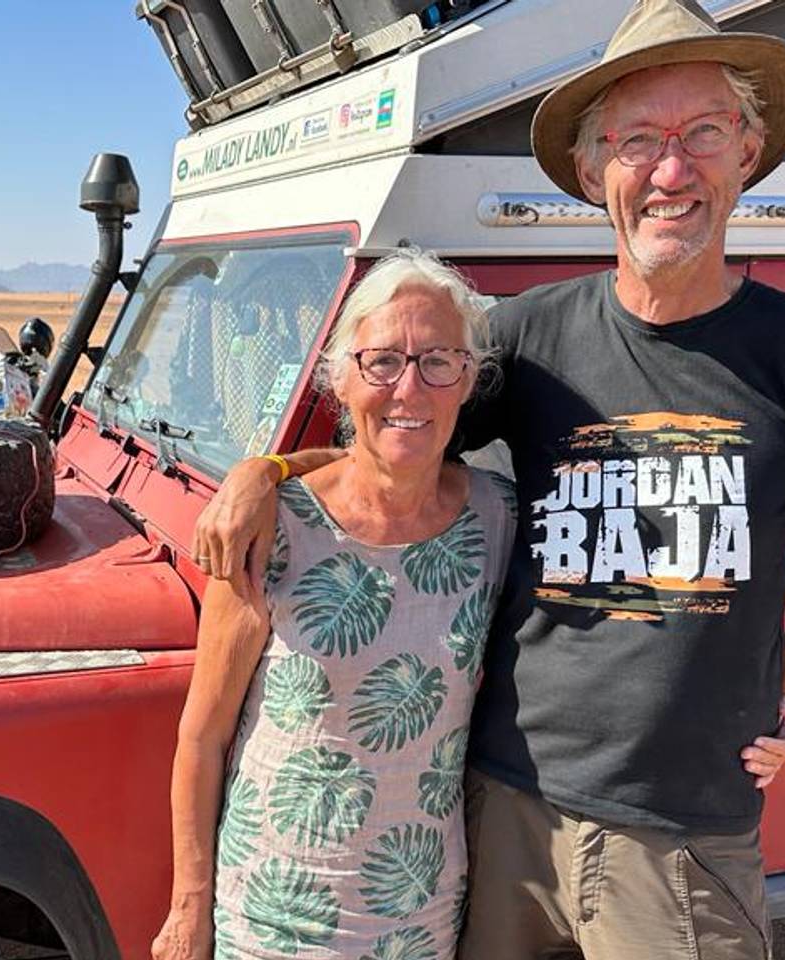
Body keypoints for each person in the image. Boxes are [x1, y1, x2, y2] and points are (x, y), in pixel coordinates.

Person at [192, 1, 785, 957]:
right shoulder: (526, 338)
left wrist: (757, 692)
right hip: (503, 805)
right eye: (637, 141)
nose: (670, 171)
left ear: (747, 150)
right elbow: (394, 447)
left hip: (681, 831)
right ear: (592, 168)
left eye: (702, 133)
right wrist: (263, 471)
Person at [152, 251, 517, 960]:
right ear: (341, 377)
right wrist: (188, 910)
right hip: (272, 917)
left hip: (419, 913)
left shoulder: (496, 518)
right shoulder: (270, 527)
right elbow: (202, 736)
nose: (408, 388)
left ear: (468, 379)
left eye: (438, 361)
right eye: (382, 361)